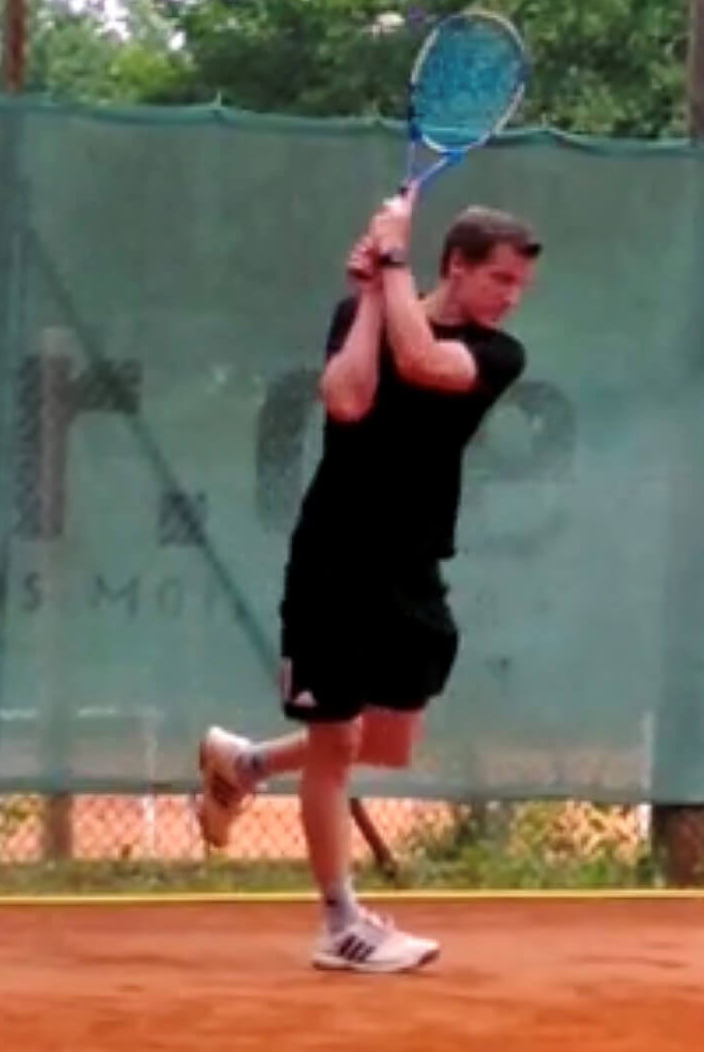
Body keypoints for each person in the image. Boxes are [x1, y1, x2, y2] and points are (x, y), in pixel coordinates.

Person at [195, 189, 541, 973]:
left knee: (390, 741)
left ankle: (244, 765)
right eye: (500, 281)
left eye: (520, 287)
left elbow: (423, 364)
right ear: (458, 264)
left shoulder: (499, 353)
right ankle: (341, 925)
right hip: (335, 558)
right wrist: (372, 295)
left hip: (413, 566)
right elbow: (349, 400)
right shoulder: (363, 311)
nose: (511, 299)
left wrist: (390, 262)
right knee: (337, 745)